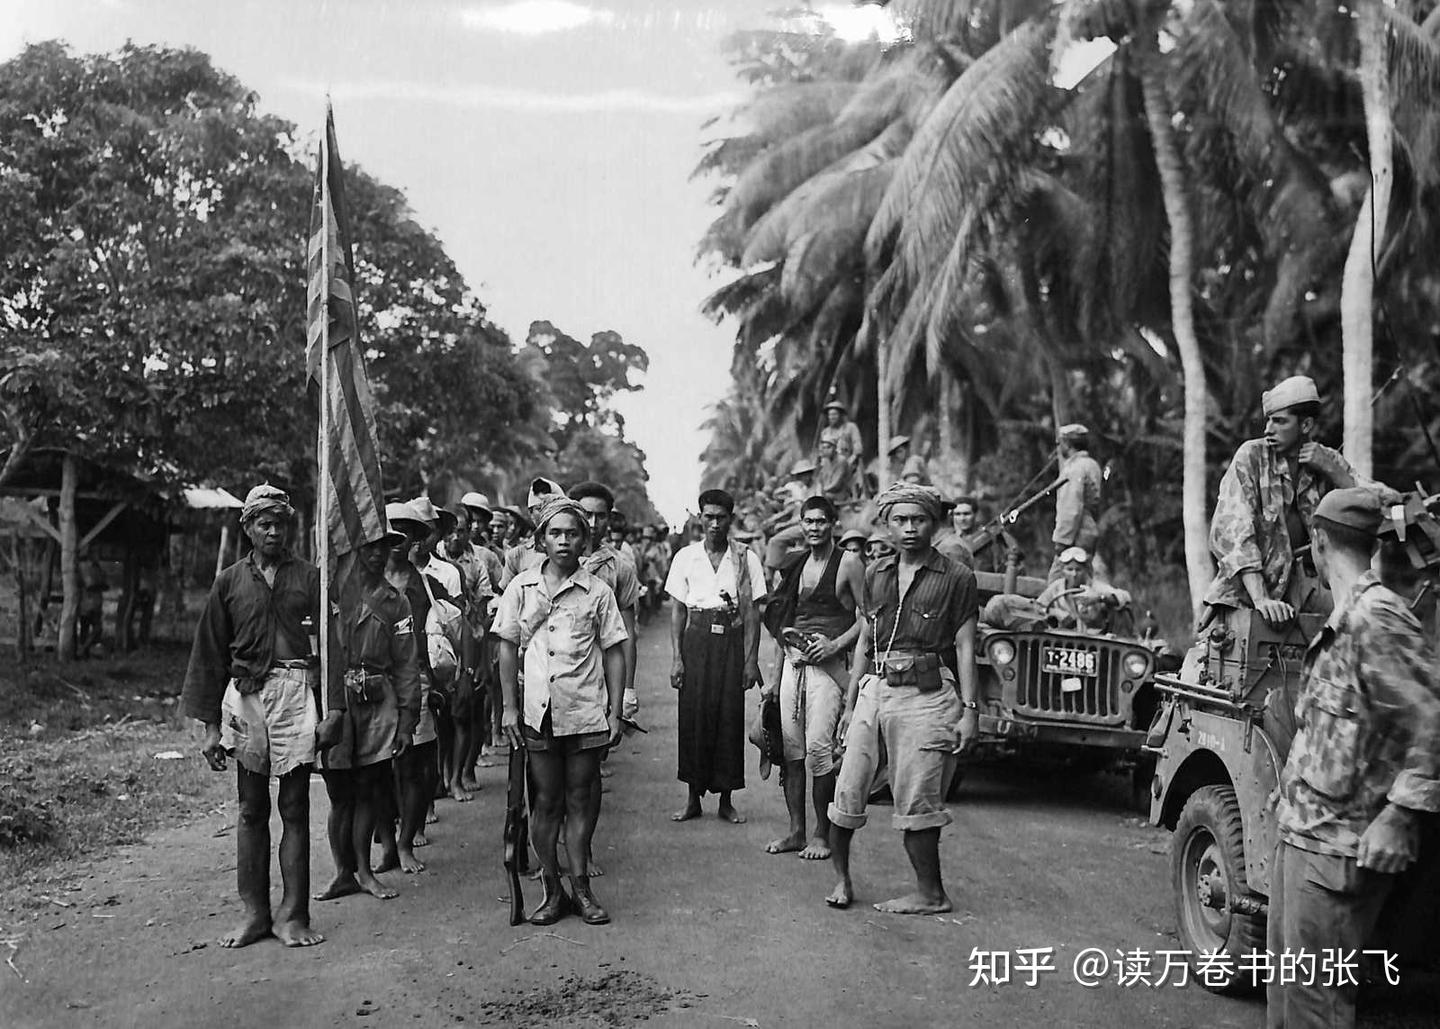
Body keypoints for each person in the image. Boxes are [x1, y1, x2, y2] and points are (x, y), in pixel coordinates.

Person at [1266, 487, 1440, 1029]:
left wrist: (1401, 815)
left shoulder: (1377, 617)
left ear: (1318, 542)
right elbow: (1327, 726)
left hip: (1339, 851)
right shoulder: (1344, 618)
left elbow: (1431, 715)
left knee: (1315, 1008)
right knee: (1287, 998)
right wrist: (1287, 787)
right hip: (1303, 834)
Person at [182, 484, 341, 948]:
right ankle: (254, 913)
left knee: (295, 806)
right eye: (264, 523)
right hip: (247, 696)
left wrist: (334, 710)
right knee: (251, 808)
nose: (273, 531)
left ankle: (293, 915)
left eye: (279, 523)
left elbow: (334, 648)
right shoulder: (230, 582)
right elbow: (209, 654)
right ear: (248, 528)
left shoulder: (310, 578)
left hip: (295, 693)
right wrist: (211, 728)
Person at [826, 482, 979, 915]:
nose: (910, 528)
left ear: (934, 523)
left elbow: (966, 645)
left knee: (918, 795)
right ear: (887, 525)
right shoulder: (876, 573)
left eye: (919, 520)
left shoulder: (957, 577)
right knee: (848, 785)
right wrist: (850, 702)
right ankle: (842, 879)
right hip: (875, 688)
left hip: (926, 693)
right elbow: (865, 639)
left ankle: (931, 894)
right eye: (900, 520)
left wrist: (970, 711)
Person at [494, 496, 629, 925]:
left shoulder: (597, 592)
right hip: (538, 713)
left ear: (584, 539)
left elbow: (614, 650)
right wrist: (509, 708)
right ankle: (552, 890)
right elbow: (506, 648)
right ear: (541, 540)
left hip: (585, 710)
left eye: (572, 533)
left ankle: (582, 889)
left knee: (581, 799)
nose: (564, 541)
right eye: (555, 533)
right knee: (546, 802)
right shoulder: (521, 589)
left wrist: (616, 711)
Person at [314, 527, 422, 904]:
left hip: (378, 702)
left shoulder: (396, 602)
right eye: (369, 547)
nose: (376, 554)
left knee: (369, 789)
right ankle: (342, 873)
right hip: (336, 698)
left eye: (383, 547)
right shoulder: (332, 592)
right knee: (339, 791)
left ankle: (364, 871)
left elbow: (406, 662)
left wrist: (407, 719)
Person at [1204, 375, 1358, 628]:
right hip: (1246, 595)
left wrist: (1334, 471)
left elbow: (1372, 505)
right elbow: (1233, 531)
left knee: (1358, 624)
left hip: (1307, 592)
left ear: (1305, 425)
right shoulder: (1252, 456)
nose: (1268, 429)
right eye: (1269, 420)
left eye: (1279, 421)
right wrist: (1261, 599)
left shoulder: (1327, 460)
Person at [762, 496, 864, 860]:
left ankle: (821, 835)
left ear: (833, 524)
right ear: (801, 524)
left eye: (821, 521)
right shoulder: (795, 563)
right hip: (793, 664)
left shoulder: (849, 562)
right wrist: (774, 680)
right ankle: (796, 831)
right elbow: (782, 625)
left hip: (827, 668)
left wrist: (835, 644)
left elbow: (868, 620)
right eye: (808, 521)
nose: (814, 528)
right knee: (791, 751)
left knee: (819, 750)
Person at [666, 488, 767, 824]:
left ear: (730, 519)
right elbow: (678, 610)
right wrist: (677, 658)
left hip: (730, 642)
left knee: (728, 717)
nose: (714, 524)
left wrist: (750, 660)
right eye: (708, 517)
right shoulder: (686, 557)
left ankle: (726, 799)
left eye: (720, 518)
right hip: (696, 640)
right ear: (699, 517)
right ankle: (692, 798)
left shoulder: (745, 558)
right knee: (693, 717)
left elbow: (752, 614)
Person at [377, 500, 446, 874]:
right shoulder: (365, 582)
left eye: (407, 532)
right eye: (393, 530)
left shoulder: (428, 586)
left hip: (415, 678)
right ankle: (388, 843)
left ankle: (406, 842)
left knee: (413, 766)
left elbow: (441, 636)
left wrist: (436, 682)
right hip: (374, 680)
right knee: (377, 768)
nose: (398, 539)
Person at [982, 547, 1130, 631]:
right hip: (1061, 639)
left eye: (1078, 570)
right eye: (1070, 569)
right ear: (1063, 571)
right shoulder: (1057, 587)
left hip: (1094, 639)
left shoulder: (1095, 587)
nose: (1074, 574)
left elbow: (1124, 597)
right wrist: (1055, 613)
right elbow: (1038, 607)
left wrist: (1098, 598)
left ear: (1086, 570)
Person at [1050, 424, 1103, 580]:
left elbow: (1071, 507)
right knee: (1084, 580)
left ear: (1067, 444)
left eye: (1060, 443)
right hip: (1088, 532)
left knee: (1057, 583)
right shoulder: (1092, 465)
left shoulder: (1074, 469)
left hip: (1075, 535)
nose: (1059, 447)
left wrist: (1062, 540)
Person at [76, 554, 107, 658]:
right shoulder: (85, 567)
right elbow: (89, 585)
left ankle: (84, 649)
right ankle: (83, 650)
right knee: (89, 629)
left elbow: (102, 583)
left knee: (94, 629)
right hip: (88, 604)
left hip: (93, 604)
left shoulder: (96, 568)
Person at [818, 400, 863, 468]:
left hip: (849, 464)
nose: (832, 417)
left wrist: (849, 462)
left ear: (841, 415)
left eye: (835, 414)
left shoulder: (851, 427)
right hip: (831, 466)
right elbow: (822, 452)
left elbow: (858, 447)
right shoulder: (825, 432)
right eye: (830, 415)